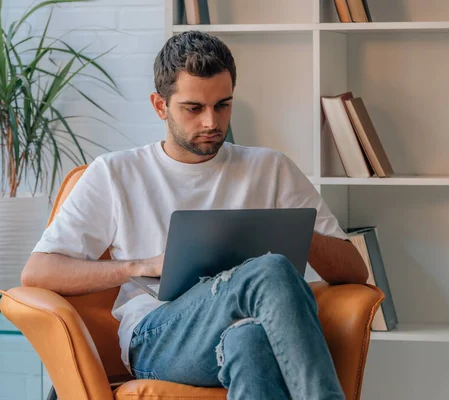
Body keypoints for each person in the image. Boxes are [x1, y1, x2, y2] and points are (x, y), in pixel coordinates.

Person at [22, 30, 368, 400]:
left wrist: (286, 234)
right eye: (193, 108)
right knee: (272, 269)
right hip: (158, 338)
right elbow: (38, 272)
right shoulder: (115, 173)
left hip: (246, 328)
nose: (211, 122)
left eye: (223, 105)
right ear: (160, 106)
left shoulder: (271, 168)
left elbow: (353, 270)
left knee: (251, 340)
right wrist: (138, 266)